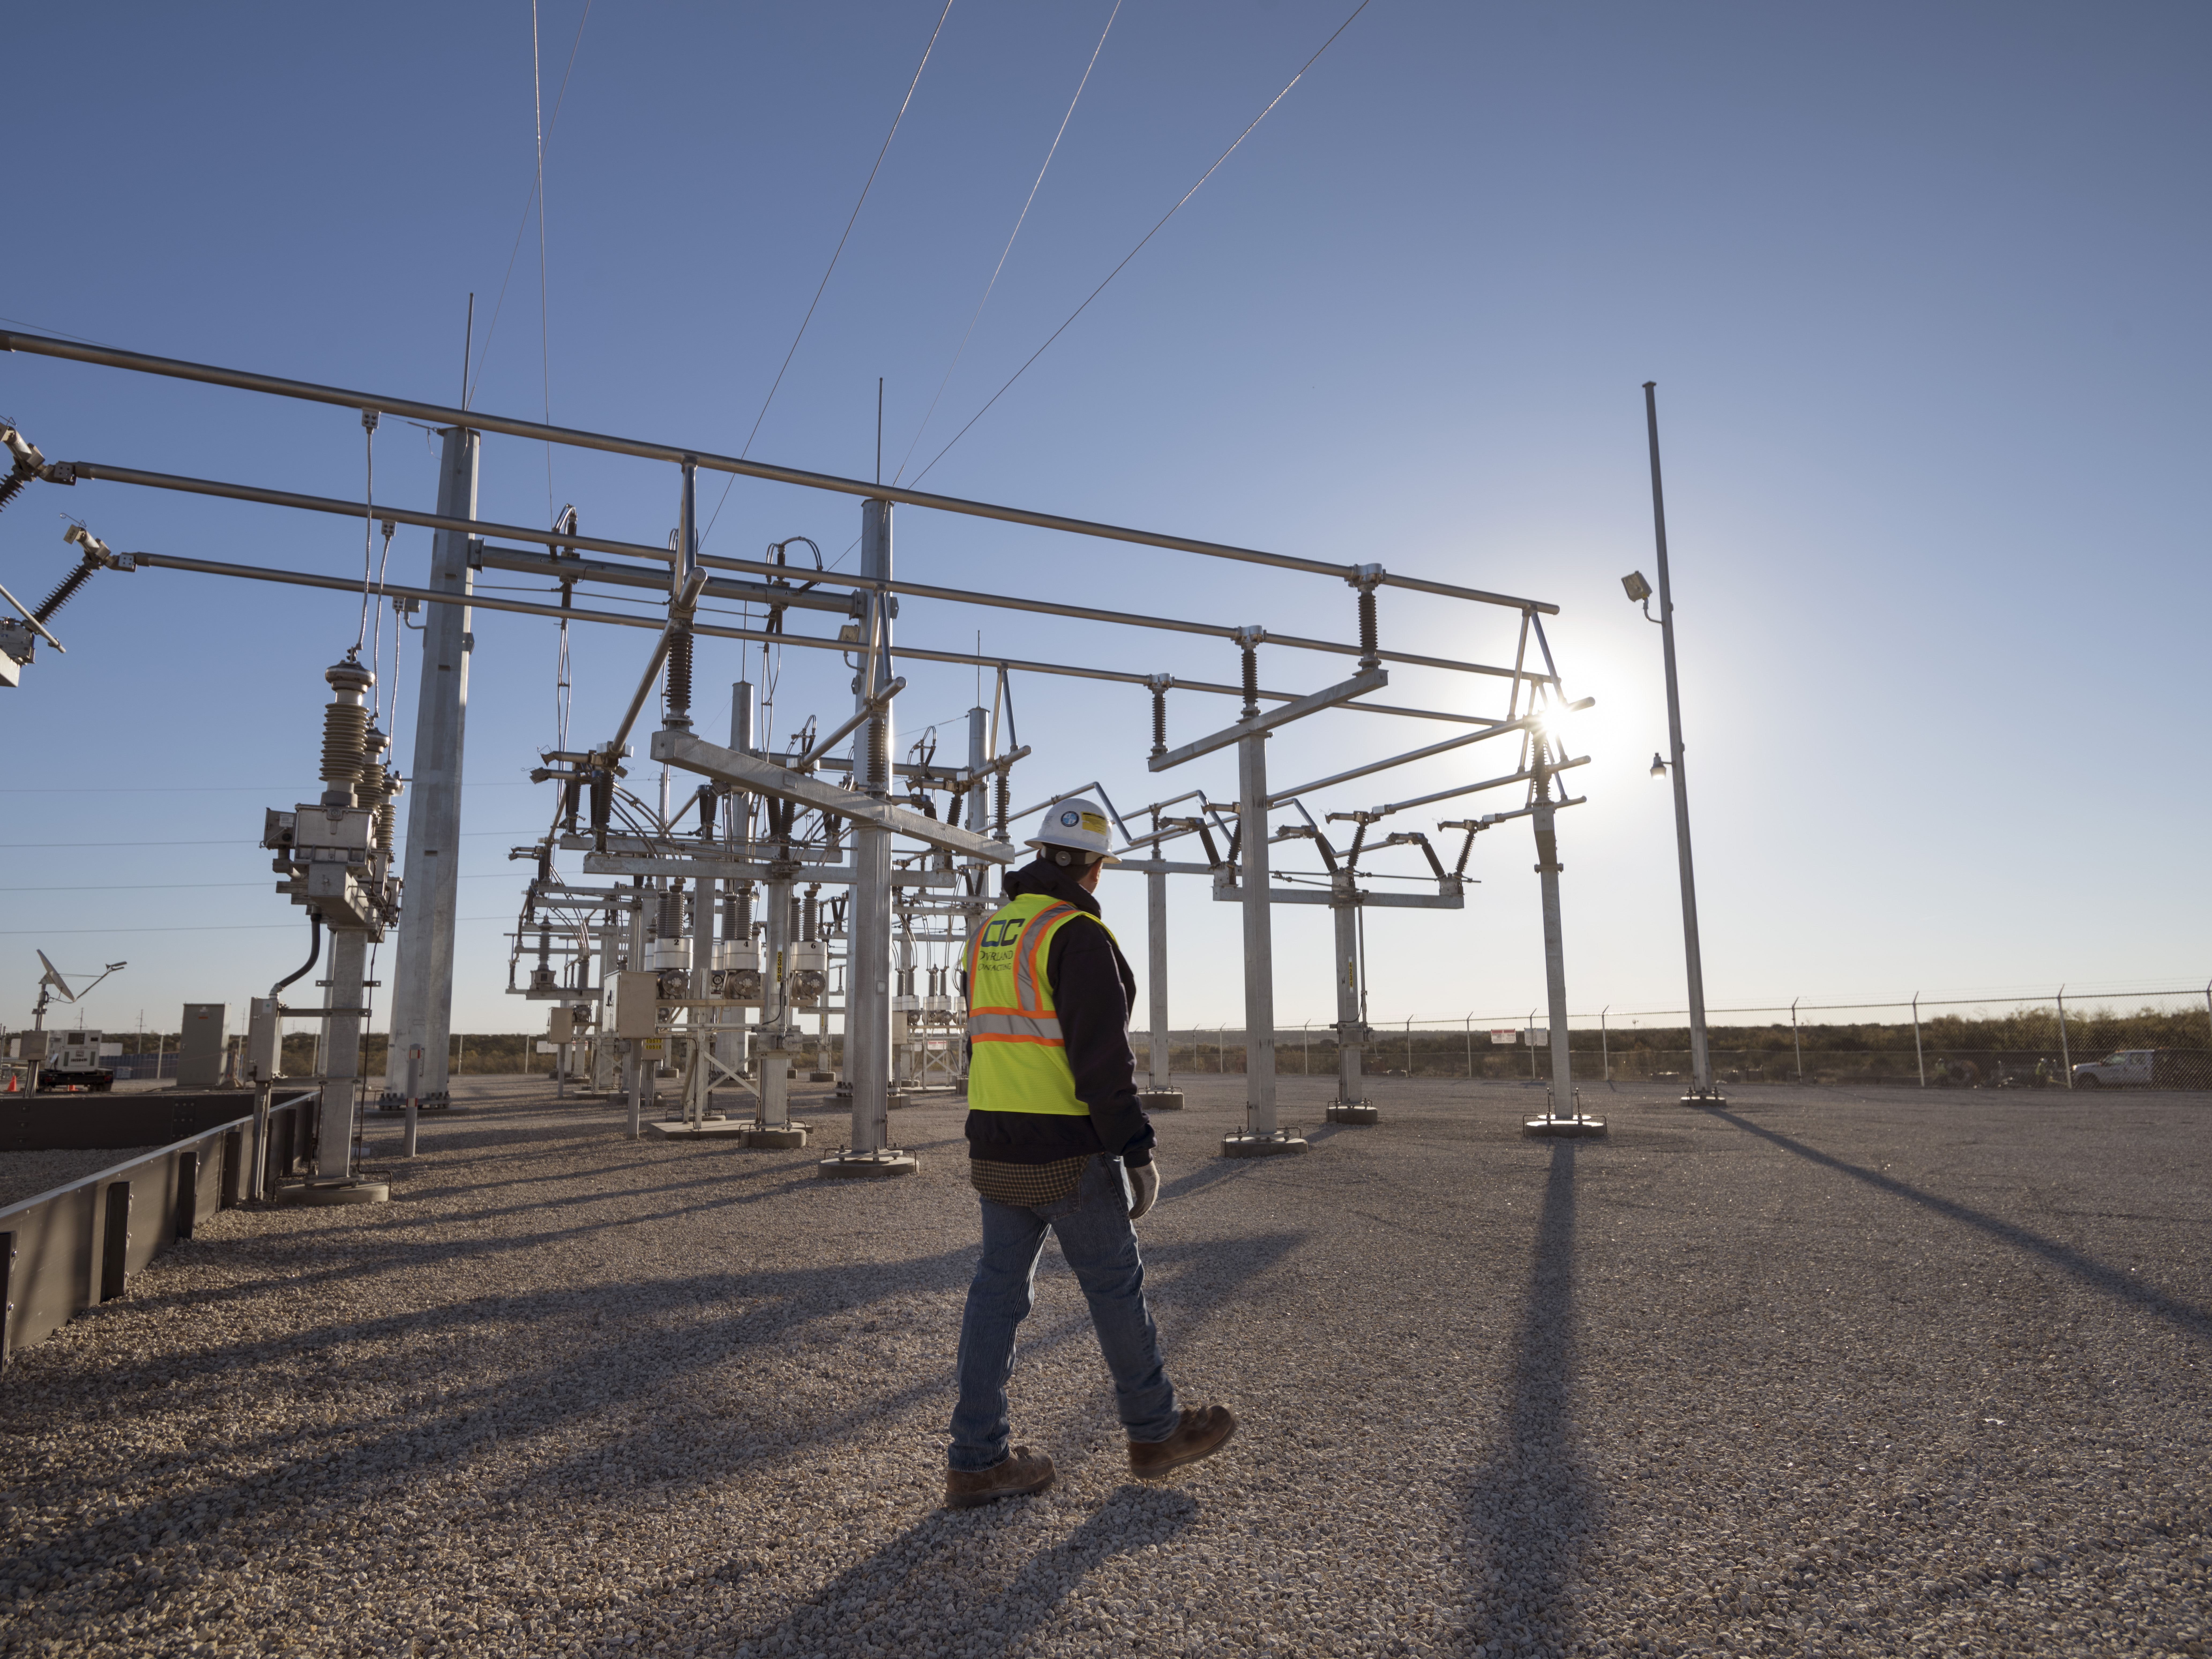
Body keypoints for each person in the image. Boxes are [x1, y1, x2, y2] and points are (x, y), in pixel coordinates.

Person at [944, 798, 1236, 1509]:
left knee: (995, 1297)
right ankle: (1155, 1432)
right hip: (1068, 1152)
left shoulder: (988, 934)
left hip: (996, 1147)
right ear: (1095, 869)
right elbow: (1103, 1062)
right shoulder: (1076, 935)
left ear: (1042, 856)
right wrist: (1136, 1149)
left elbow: (984, 1041)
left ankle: (976, 1460)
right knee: (1115, 1291)